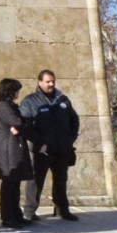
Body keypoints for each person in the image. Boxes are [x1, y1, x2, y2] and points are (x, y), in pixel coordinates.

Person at [20, 69, 80, 221]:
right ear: (39, 82)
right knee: (35, 180)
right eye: (47, 81)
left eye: (52, 81)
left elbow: (74, 121)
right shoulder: (30, 101)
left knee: (61, 180)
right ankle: (29, 210)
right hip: (42, 149)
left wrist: (69, 139)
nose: (51, 84)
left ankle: (62, 209)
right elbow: (25, 125)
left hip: (62, 149)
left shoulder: (63, 100)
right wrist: (38, 142)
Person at [0, 78, 35, 229]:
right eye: (16, 90)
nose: (18, 93)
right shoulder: (4, 106)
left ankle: (15, 214)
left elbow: (20, 123)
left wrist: (22, 127)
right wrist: (22, 127)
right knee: (9, 185)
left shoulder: (8, 105)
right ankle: (8, 217)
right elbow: (17, 122)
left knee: (14, 184)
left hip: (12, 148)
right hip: (8, 151)